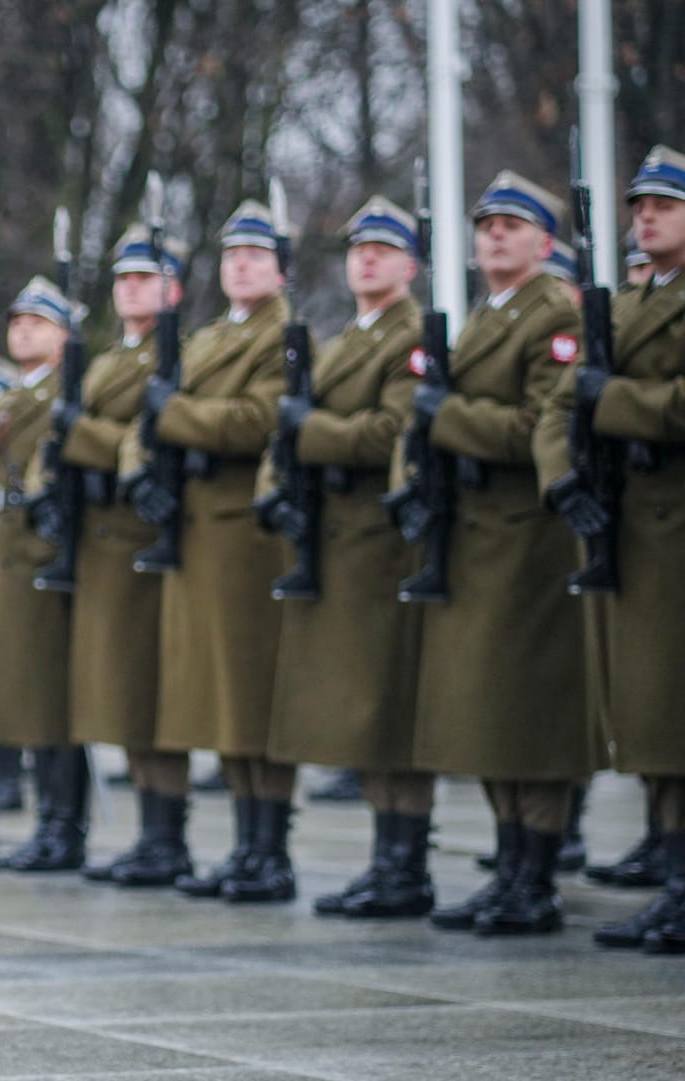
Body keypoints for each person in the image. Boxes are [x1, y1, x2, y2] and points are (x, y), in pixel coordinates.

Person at [407, 171, 592, 937]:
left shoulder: (553, 312)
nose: (493, 238)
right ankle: (508, 863)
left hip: (529, 539)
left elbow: (535, 425)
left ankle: (536, 873)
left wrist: (448, 416)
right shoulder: (488, 313)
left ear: (545, 243)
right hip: (481, 537)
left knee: (530, 718)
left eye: (511, 228)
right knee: (487, 712)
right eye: (485, 227)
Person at [259, 197, 432, 919]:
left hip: (380, 543)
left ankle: (404, 864)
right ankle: (383, 858)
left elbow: (391, 431)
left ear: (409, 265)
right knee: (361, 712)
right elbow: (290, 428)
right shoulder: (342, 339)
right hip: (337, 543)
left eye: (383, 250)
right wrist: (278, 481)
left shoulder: (412, 336)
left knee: (387, 708)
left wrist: (312, 431)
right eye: (358, 248)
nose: (366, 258)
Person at [122, 201, 296, 904]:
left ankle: (269, 848)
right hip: (198, 530)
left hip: (245, 534)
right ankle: (243, 845)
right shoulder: (206, 338)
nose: (240, 265)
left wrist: (174, 417)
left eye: (254, 255)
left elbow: (259, 420)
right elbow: (148, 411)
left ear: (280, 268)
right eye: (230, 256)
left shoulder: (281, 334)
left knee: (252, 697)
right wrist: (141, 465)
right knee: (221, 699)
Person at [535, 145, 685, 953]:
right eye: (639, 205)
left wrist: (616, 401)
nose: (647, 216)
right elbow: (559, 407)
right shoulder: (623, 306)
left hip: (676, 530)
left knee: (677, 712)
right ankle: (673, 880)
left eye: (664, 204)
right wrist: (563, 480)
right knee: (653, 720)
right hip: (624, 528)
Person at [68, 227, 194, 888]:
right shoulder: (111, 358)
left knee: (150, 691)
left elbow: (138, 435)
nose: (131, 288)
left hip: (144, 533)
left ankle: (167, 834)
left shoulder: (174, 354)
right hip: (105, 539)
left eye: (145, 278)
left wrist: (77, 435)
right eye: (122, 279)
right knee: (124, 692)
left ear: (172, 288)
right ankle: (151, 833)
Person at [0, 277, 86, 871]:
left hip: (40, 549)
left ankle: (63, 827)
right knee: (20, 693)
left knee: (48, 697)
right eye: (18, 322)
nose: (23, 329)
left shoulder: (66, 389)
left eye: (39, 322)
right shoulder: (3, 397)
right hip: (3, 547)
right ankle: (45, 825)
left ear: (63, 336)